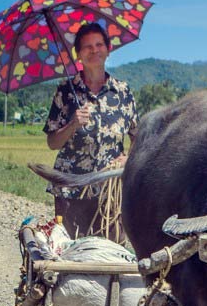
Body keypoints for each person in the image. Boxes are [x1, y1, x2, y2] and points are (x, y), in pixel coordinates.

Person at [43, 23, 138, 239]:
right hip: (70, 188)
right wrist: (73, 124)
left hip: (111, 188)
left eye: (99, 44)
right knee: (72, 252)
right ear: (78, 54)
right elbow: (53, 143)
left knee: (111, 252)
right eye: (87, 47)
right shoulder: (65, 92)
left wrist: (126, 158)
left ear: (108, 49)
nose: (94, 50)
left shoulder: (122, 92)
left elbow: (138, 138)